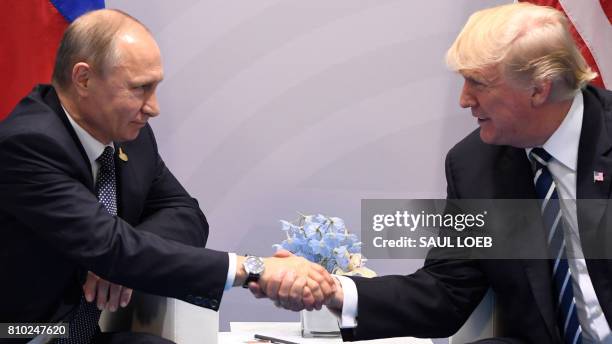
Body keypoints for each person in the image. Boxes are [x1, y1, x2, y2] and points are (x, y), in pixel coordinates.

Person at [256, 3, 612, 343]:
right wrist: (335, 291)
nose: (464, 99)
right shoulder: (476, 165)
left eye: (478, 83)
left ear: (538, 88)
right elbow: (447, 291)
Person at [0, 9, 334, 344]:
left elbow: (186, 214)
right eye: (140, 88)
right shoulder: (29, 144)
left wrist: (123, 261)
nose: (153, 107)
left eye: (155, 87)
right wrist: (253, 269)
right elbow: (110, 246)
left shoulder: (130, 135)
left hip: (83, 334)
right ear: (84, 79)